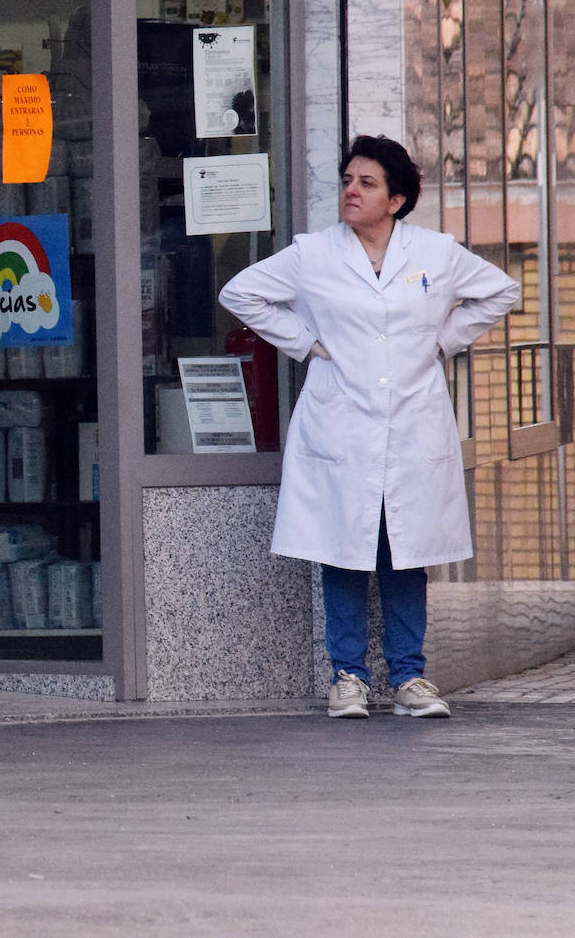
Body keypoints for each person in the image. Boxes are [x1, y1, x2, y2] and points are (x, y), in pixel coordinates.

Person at [218, 135, 519, 720]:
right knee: (344, 547)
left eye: (367, 184)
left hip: (413, 421)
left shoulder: (435, 253)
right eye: (347, 181)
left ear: (397, 199)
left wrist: (444, 340)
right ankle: (348, 676)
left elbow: (501, 292)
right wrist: (305, 343)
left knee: (407, 551)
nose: (351, 192)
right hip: (342, 420)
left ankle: (410, 678)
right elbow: (240, 293)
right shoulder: (313, 255)